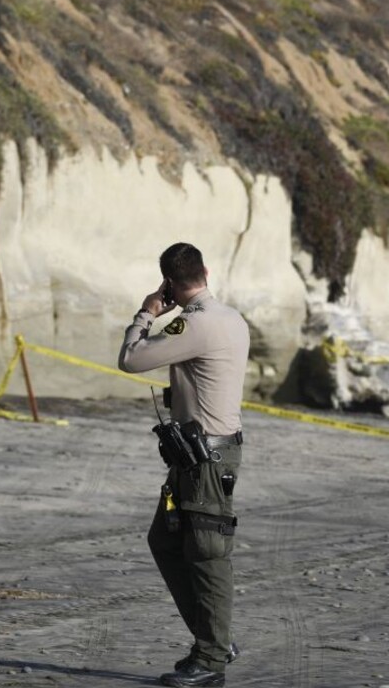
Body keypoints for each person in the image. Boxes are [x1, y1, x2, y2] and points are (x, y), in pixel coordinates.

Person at [119, 243, 250, 688]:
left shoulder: (191, 323)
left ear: (170, 284)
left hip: (206, 460)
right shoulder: (230, 317)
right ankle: (215, 639)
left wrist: (145, 312)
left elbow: (132, 359)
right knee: (166, 540)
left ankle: (212, 657)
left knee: (208, 556)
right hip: (199, 455)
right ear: (207, 272)